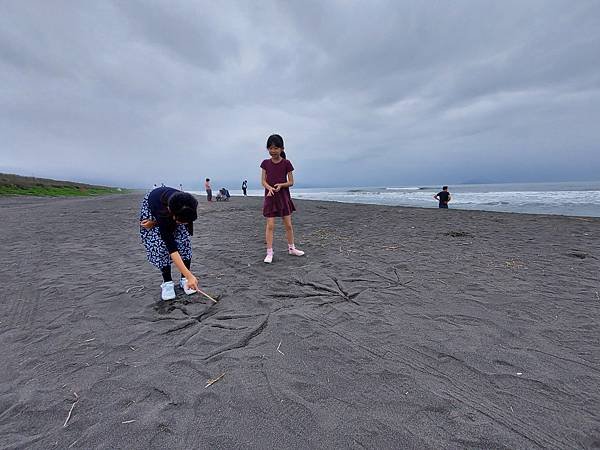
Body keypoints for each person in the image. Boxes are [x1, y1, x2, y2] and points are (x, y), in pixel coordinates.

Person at [139, 186, 201, 300]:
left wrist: (188, 276)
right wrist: (154, 223)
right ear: (171, 212)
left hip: (175, 211)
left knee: (184, 241)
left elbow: (184, 221)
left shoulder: (188, 203)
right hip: (156, 206)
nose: (180, 224)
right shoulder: (161, 209)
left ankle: (185, 280)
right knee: (160, 245)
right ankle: (167, 282)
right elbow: (171, 247)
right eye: (178, 221)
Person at [260, 134, 305, 263]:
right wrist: (269, 188)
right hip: (270, 196)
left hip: (283, 196)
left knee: (288, 225)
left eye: (276, 148)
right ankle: (269, 252)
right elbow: (263, 181)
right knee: (270, 225)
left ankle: (292, 248)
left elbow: (291, 182)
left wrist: (281, 185)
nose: (273, 151)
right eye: (270, 148)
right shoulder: (265, 163)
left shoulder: (287, 163)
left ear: (282, 149)